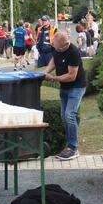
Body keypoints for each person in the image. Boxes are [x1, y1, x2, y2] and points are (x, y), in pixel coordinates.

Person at [43, 31, 85, 161]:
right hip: (64, 88)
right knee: (64, 116)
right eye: (54, 46)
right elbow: (54, 59)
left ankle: (73, 148)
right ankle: (68, 145)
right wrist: (45, 72)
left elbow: (72, 76)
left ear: (65, 44)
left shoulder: (73, 52)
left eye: (57, 47)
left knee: (69, 115)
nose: (55, 49)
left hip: (76, 87)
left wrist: (53, 78)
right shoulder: (57, 48)